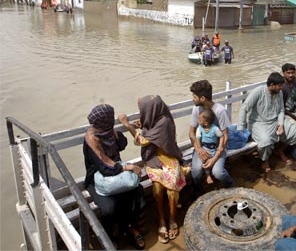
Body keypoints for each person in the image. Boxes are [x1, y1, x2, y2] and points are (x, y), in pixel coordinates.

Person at [119, 95, 187, 244]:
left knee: (172, 189)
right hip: (154, 159)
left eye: (142, 110)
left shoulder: (164, 122)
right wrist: (143, 126)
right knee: (157, 188)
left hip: (169, 158)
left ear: (151, 110)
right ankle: (162, 219)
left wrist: (128, 125)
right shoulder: (156, 119)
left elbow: (143, 141)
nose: (141, 112)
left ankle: (172, 218)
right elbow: (150, 133)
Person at [83, 104, 146, 249]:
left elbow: (122, 144)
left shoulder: (108, 131)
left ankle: (130, 228)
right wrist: (128, 167)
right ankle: (111, 235)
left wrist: (121, 128)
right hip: (97, 178)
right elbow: (104, 167)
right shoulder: (92, 139)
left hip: (116, 171)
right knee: (109, 207)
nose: (95, 127)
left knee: (138, 194)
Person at [237, 72, 296, 172]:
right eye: (279, 86)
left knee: (295, 132)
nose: (281, 88)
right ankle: (264, 160)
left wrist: (281, 125)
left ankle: (280, 150)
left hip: (275, 120)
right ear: (272, 85)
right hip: (258, 122)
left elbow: (281, 110)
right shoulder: (258, 92)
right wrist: (240, 128)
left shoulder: (279, 93)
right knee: (265, 141)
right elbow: (244, 108)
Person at [189, 80, 233, 192]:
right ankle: (198, 192)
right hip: (202, 146)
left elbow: (225, 137)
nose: (192, 99)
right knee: (196, 171)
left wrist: (215, 158)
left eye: (194, 96)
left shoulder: (220, 111)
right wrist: (199, 149)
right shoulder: (196, 109)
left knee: (218, 173)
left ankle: (231, 186)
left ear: (202, 98)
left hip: (218, 147)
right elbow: (191, 133)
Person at [195, 108, 232, 186]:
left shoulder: (215, 129)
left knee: (213, 164)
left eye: (199, 119)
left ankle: (229, 183)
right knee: (205, 160)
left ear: (206, 123)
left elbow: (221, 136)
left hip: (214, 148)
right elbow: (197, 138)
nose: (198, 120)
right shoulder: (200, 128)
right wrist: (200, 148)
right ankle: (207, 175)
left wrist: (220, 146)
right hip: (205, 148)